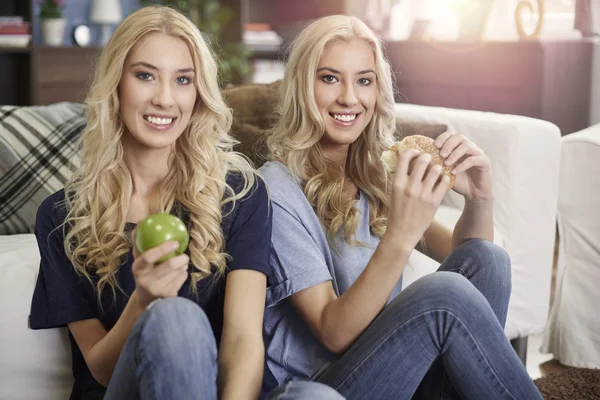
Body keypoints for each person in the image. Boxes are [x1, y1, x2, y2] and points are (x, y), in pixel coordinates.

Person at [29, 6, 342, 400]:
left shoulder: (240, 194)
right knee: (175, 317)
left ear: (198, 94)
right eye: (145, 76)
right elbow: (100, 368)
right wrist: (144, 302)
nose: (165, 99)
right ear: (117, 85)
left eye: (183, 80)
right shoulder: (61, 215)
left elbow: (243, 342)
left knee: (317, 398)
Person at [259, 15, 544, 400]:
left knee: (487, 257)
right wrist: (401, 236)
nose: (349, 97)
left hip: (396, 378)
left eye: (364, 80)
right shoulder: (275, 189)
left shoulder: (376, 173)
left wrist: (480, 197)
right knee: (444, 294)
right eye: (329, 78)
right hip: (325, 387)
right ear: (301, 87)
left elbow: (469, 261)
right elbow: (333, 332)